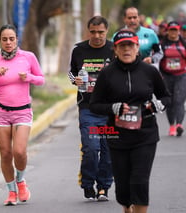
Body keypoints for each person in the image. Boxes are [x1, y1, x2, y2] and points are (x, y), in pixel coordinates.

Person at [90, 30, 170, 213]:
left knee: (140, 182)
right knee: (124, 189)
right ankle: (127, 207)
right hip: (118, 136)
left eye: (130, 45)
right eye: (122, 46)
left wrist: (159, 105)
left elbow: (166, 97)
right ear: (115, 49)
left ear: (137, 48)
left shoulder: (149, 71)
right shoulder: (107, 74)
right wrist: (113, 108)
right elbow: (95, 105)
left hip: (145, 135)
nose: (127, 49)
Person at [0, 24, 45, 206]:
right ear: (0, 41)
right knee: (5, 154)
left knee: (19, 151)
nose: (8, 42)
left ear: (17, 39)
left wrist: (28, 77)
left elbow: (41, 79)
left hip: (22, 111)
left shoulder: (28, 57)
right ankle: (11, 191)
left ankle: (20, 181)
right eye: (5, 39)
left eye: (11, 39)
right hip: (1, 113)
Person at [68, 16, 114, 201]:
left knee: (108, 151)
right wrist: (75, 80)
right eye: (93, 32)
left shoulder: (114, 49)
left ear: (106, 31)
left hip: (111, 109)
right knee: (91, 148)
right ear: (89, 31)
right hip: (88, 108)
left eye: (101, 32)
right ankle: (88, 183)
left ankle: (103, 187)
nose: (97, 36)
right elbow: (71, 72)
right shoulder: (79, 50)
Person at [159, 21, 186, 136]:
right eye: (171, 30)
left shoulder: (183, 43)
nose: (174, 32)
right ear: (168, 31)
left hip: (181, 75)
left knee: (179, 100)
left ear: (178, 31)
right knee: (169, 101)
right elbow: (157, 59)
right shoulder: (162, 44)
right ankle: (172, 126)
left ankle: (179, 124)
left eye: (176, 30)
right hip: (167, 76)